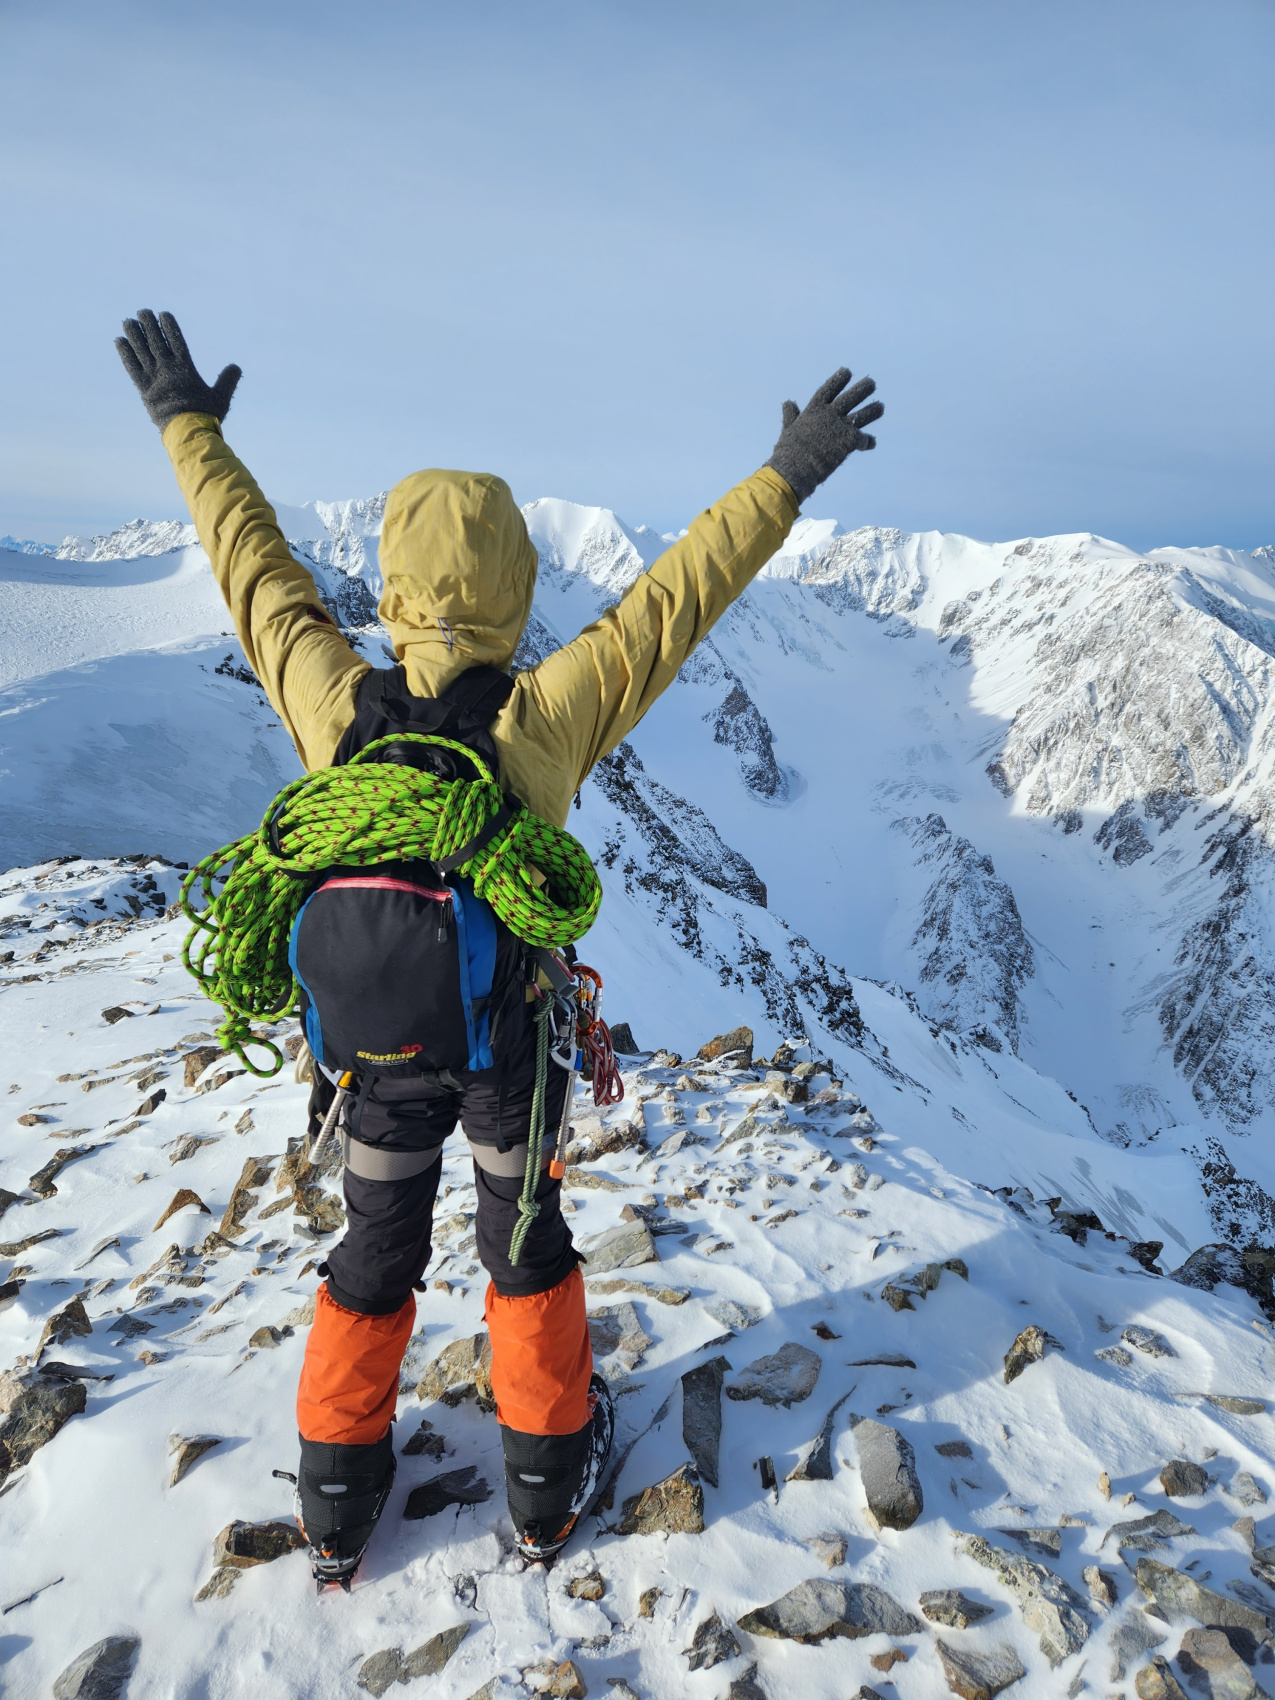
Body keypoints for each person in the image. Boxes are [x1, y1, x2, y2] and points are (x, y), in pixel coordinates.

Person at [115, 309, 883, 1584]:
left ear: (395, 585)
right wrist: (787, 472)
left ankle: (339, 1505)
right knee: (522, 1241)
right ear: (517, 588)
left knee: (372, 1248)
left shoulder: (332, 701)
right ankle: (541, 1484)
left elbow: (252, 572)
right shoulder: (542, 720)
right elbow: (672, 602)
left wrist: (187, 425)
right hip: (500, 1048)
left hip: (367, 1051)